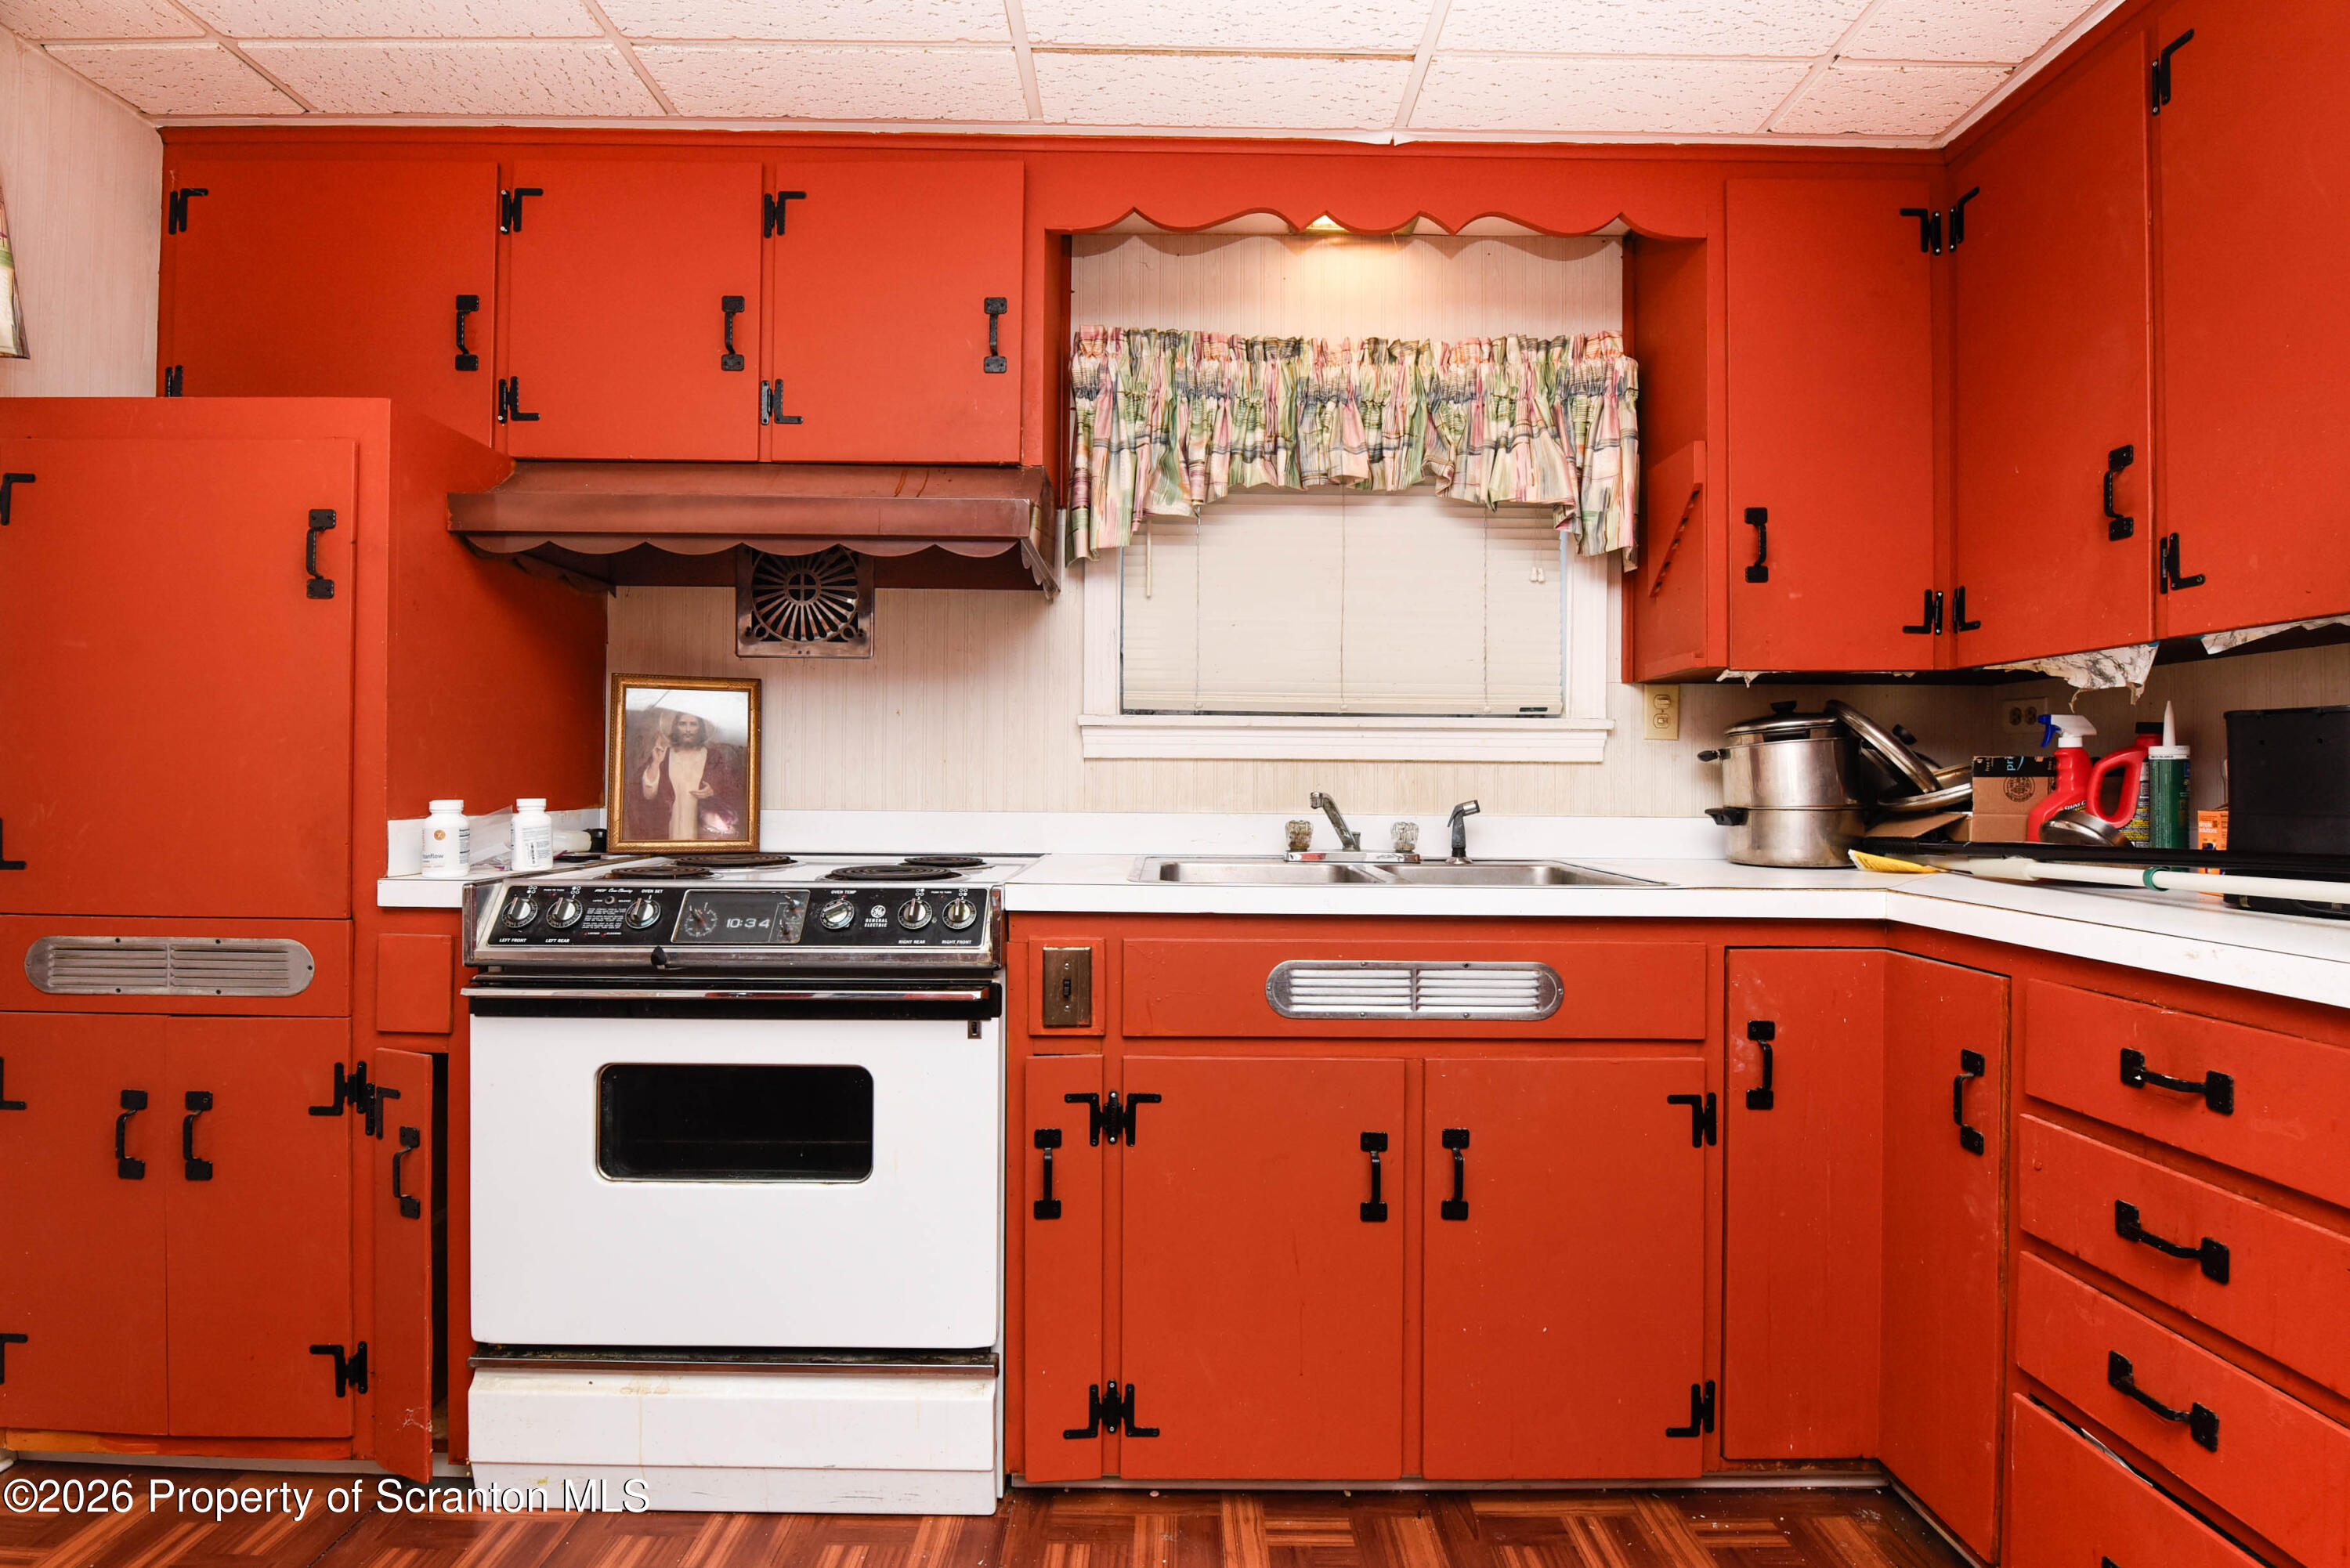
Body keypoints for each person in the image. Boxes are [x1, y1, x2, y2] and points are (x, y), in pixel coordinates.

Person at [629, 710, 744, 842]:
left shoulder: (713, 757)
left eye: (693, 724)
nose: (688, 730)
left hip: (700, 826)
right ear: (675, 727)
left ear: (700, 728)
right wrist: (655, 763)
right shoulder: (664, 756)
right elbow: (647, 795)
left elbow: (732, 790)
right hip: (671, 826)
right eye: (683, 724)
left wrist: (713, 792)